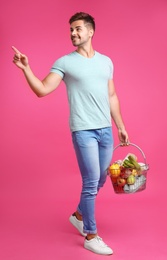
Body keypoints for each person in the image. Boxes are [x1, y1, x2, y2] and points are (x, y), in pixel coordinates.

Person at [12, 12, 129, 255]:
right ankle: (91, 234)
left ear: (90, 31)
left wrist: (120, 126)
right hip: (83, 130)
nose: (73, 34)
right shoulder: (65, 62)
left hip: (105, 129)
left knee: (101, 178)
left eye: (77, 29)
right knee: (90, 182)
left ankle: (78, 215)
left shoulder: (106, 61)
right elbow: (42, 89)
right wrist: (26, 68)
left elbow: (112, 96)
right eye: (71, 31)